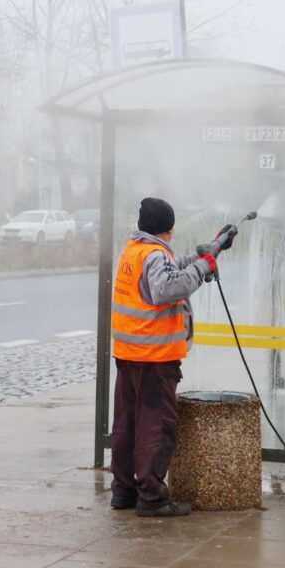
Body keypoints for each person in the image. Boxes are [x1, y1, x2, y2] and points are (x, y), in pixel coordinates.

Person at [109, 197, 231, 517]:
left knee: (127, 424)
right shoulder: (155, 253)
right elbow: (167, 288)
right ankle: (152, 498)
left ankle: (123, 491)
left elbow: (168, 269)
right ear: (169, 228)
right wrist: (205, 265)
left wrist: (206, 254)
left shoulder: (135, 250)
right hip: (154, 356)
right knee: (157, 427)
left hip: (130, 354)